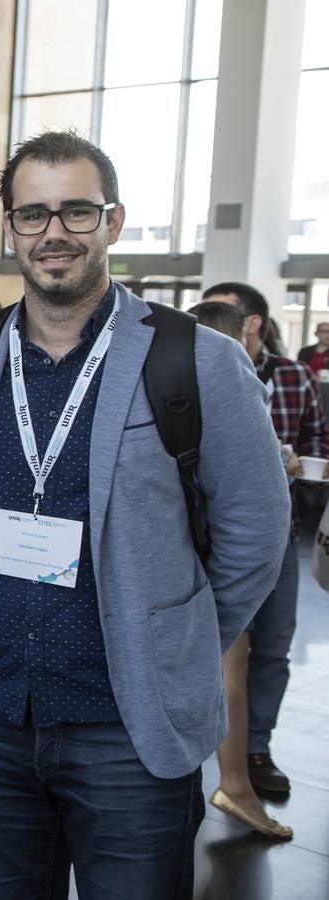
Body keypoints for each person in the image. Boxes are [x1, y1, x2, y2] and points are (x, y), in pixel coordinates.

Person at [0, 131, 289, 899]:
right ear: (9, 228)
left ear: (114, 222)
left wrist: (172, 643)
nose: (52, 232)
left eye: (75, 211)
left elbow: (256, 535)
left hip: (126, 729)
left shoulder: (194, 361)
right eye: (31, 214)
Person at [203, 280, 328, 799]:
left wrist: (300, 464)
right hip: (209, 539)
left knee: (273, 647)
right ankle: (218, 758)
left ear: (251, 323)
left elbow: (319, 441)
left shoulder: (296, 376)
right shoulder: (196, 366)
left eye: (222, 315)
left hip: (282, 536)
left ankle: (257, 748)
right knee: (222, 651)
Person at [187, 298, 293, 840]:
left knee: (240, 663)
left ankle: (237, 777)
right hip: (207, 554)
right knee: (230, 668)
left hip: (214, 552)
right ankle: (234, 781)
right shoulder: (207, 371)